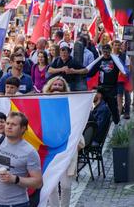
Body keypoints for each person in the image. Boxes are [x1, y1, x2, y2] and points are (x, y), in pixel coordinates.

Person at [44, 77, 83, 207]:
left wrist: (77, 143)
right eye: (54, 84)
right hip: (49, 151)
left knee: (66, 186)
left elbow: (78, 127)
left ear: (64, 89)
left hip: (67, 151)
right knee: (51, 186)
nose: (56, 86)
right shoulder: (43, 108)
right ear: (49, 88)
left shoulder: (71, 108)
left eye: (60, 85)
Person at [86, 44, 123, 124]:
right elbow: (92, 72)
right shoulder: (99, 60)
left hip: (112, 88)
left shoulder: (115, 60)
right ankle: (98, 124)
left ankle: (116, 124)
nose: (106, 53)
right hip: (101, 88)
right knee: (98, 106)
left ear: (110, 51)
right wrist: (82, 73)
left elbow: (123, 70)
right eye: (104, 51)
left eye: (107, 51)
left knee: (113, 108)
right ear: (102, 51)